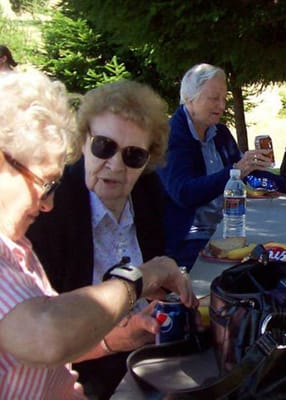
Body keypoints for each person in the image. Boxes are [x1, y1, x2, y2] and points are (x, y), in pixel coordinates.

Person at [0, 70, 196, 398]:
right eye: (104, 146)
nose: (116, 165)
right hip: (99, 376)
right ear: (83, 142)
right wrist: (139, 284)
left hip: (137, 363)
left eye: (134, 156)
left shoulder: (17, 242)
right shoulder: (48, 217)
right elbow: (48, 334)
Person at [159, 63, 286, 268]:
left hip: (222, 230)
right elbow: (184, 193)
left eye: (224, 98)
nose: (221, 106)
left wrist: (285, 185)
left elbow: (247, 173)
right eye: (214, 98)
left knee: (283, 258)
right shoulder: (172, 135)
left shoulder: (219, 133)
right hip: (186, 241)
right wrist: (235, 172)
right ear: (189, 98)